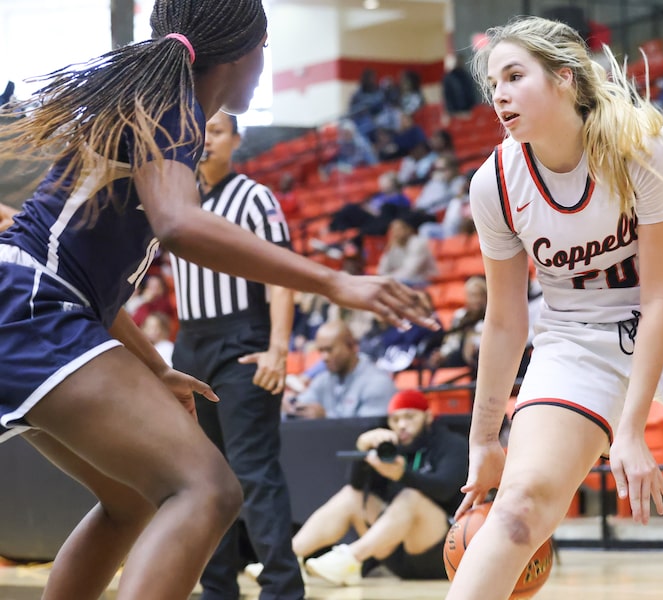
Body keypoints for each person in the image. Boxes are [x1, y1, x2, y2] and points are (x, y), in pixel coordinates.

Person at [0, 2, 436, 599]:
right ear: (246, 49)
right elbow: (179, 224)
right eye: (266, 48)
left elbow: (85, 280)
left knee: (131, 500)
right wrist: (336, 282)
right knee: (209, 488)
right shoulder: (172, 107)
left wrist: (154, 368)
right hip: (33, 307)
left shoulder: (152, 102)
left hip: (37, 306)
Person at [445, 17, 663, 600]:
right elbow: (506, 320)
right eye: (493, 83)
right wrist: (485, 440)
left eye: (514, 75)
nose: (500, 93)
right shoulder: (495, 185)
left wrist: (630, 429)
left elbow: (656, 297)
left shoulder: (645, 145)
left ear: (563, 78)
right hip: (576, 335)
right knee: (517, 511)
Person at [168, 110, 302, 599]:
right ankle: (218, 588)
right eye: (198, 133)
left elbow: (282, 274)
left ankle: (283, 588)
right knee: (206, 475)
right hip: (190, 345)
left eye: (217, 132)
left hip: (244, 340)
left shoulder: (255, 197)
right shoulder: (175, 202)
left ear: (237, 140)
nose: (205, 142)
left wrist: (277, 349)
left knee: (253, 469)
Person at [293, 388, 468, 586]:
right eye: (395, 419)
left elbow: (445, 489)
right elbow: (356, 485)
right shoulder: (390, 445)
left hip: (440, 551)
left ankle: (350, 558)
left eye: (410, 417)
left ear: (427, 417)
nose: (402, 425)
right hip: (396, 551)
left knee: (411, 497)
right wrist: (362, 448)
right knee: (351, 496)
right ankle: (286, 559)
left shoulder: (452, 444)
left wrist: (403, 475)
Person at [286, 319, 398, 419]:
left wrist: (325, 418)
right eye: (321, 351)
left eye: (329, 350)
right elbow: (301, 405)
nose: (324, 357)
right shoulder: (323, 379)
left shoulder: (377, 383)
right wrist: (290, 407)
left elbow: (368, 433)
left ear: (351, 346)